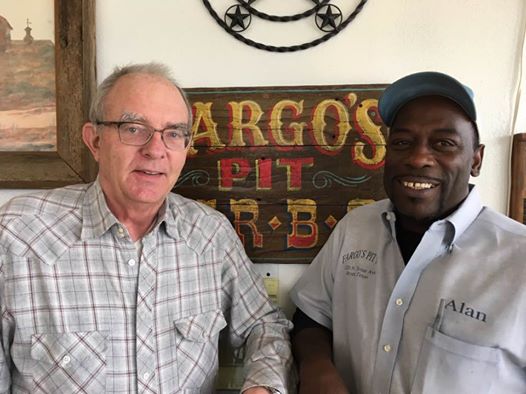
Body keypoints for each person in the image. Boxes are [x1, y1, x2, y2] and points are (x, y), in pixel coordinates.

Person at [0, 63, 294, 393]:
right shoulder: (17, 235)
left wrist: (263, 387)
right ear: (94, 140)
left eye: (173, 133)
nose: (155, 150)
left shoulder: (211, 235)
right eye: (133, 128)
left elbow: (264, 325)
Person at [290, 71, 526, 394]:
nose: (418, 158)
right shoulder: (354, 230)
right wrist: (316, 368)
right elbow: (310, 317)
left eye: (444, 143)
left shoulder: (519, 259)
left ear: (476, 159)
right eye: (402, 142)